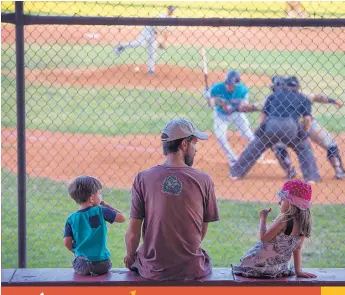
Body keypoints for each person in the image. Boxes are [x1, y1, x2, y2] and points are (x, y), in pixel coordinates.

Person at [124, 119, 220, 281]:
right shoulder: (203, 180)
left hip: (153, 270)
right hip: (191, 269)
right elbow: (200, 232)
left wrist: (130, 256)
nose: (195, 150)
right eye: (194, 144)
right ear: (184, 144)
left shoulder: (143, 178)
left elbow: (133, 233)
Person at [230, 75, 321, 183]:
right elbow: (307, 119)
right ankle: (311, 177)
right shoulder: (302, 97)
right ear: (297, 87)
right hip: (290, 126)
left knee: (255, 146)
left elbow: (263, 116)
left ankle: (236, 173)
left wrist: (262, 132)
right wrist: (303, 133)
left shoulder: (273, 96)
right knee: (304, 147)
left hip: (271, 125)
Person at [232, 179, 316, 279]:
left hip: (256, 266)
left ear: (292, 203)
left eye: (283, 199)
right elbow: (297, 250)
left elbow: (263, 239)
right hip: (277, 268)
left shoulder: (283, 219)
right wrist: (298, 271)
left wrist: (263, 218)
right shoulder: (303, 224)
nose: (279, 202)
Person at [274, 76, 345, 180]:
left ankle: (290, 170)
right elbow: (318, 98)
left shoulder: (274, 97)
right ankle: (339, 171)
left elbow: (318, 98)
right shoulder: (302, 94)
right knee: (330, 144)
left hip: (290, 127)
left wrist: (334, 101)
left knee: (278, 146)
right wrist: (334, 101)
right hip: (307, 125)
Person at [63, 175, 126, 276]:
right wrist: (106, 205)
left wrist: (75, 250)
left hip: (82, 264)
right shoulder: (101, 211)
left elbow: (67, 242)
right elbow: (122, 218)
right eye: (99, 193)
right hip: (102, 264)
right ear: (92, 198)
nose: (101, 197)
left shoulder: (71, 219)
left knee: (77, 263)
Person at [203, 70, 262, 166]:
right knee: (220, 136)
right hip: (220, 115)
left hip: (237, 115)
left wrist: (232, 107)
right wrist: (207, 94)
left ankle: (258, 153)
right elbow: (208, 95)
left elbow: (245, 106)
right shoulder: (217, 88)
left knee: (249, 135)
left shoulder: (243, 90)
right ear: (226, 83)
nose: (231, 88)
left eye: (234, 86)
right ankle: (233, 159)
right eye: (230, 85)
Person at [114, 5, 176, 75]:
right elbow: (157, 26)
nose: (171, 11)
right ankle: (121, 47)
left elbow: (165, 32)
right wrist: (158, 39)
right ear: (168, 10)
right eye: (170, 10)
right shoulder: (162, 15)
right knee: (140, 43)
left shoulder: (170, 20)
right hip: (148, 29)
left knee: (152, 51)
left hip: (154, 34)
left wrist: (164, 42)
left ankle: (151, 70)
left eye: (172, 10)